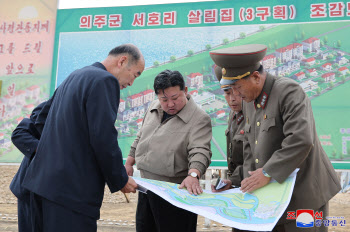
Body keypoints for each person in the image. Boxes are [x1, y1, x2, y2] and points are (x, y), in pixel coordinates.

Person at [210, 44, 341, 232]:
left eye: (238, 87)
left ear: (256, 77)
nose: (236, 95)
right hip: (273, 200)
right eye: (231, 89)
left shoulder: (288, 92)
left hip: (304, 196)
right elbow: (250, 150)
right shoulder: (249, 101)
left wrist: (267, 172)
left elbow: (301, 139)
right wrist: (236, 180)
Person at [22, 44, 145, 232]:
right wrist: (120, 179)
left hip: (42, 187)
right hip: (71, 193)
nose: (132, 83)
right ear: (122, 61)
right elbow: (103, 137)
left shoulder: (75, 76)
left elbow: (40, 118)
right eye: (136, 74)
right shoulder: (105, 81)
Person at [124, 69, 212, 232]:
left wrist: (193, 175)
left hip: (176, 193)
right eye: (164, 99)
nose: (170, 104)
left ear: (185, 91)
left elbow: (200, 151)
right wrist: (129, 162)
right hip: (147, 187)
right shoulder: (153, 107)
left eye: (175, 98)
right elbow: (140, 136)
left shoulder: (199, 118)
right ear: (157, 96)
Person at [10, 101, 49, 232]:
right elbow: (19, 134)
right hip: (30, 190)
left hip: (52, 192)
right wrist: (46, 151)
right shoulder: (53, 104)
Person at [211, 66, 244, 193]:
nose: (232, 99)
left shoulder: (256, 114)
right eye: (227, 92)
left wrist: (234, 180)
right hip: (236, 185)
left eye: (238, 92)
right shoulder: (234, 113)